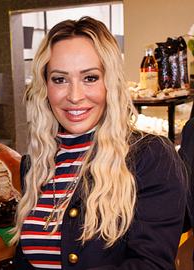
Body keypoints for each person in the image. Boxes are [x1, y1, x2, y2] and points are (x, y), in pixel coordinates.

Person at [11, 17, 186, 269]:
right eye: (60, 79)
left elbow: (151, 264)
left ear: (110, 83)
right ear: (45, 87)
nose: (74, 96)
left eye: (90, 78)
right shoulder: (35, 165)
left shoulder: (150, 156)